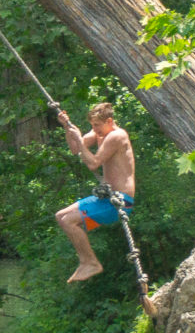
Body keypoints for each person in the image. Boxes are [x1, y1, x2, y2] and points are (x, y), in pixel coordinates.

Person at [52, 102, 137, 283]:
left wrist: (78, 137)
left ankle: (90, 263)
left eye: (97, 125)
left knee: (68, 220)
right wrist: (68, 128)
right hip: (106, 199)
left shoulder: (117, 136)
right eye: (92, 125)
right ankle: (87, 262)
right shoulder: (99, 133)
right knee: (61, 217)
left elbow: (93, 163)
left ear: (109, 121)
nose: (94, 130)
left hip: (120, 201)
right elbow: (76, 149)